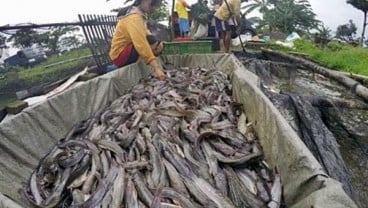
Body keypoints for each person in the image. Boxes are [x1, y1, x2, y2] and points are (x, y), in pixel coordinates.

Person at [109, 0, 166, 80]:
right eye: (152, 4)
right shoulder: (134, 18)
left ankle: (144, 65)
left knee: (153, 40)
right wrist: (156, 68)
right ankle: (140, 70)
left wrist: (158, 44)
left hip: (128, 50)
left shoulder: (139, 15)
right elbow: (141, 44)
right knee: (149, 43)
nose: (154, 8)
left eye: (156, 5)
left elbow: (147, 34)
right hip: (120, 56)